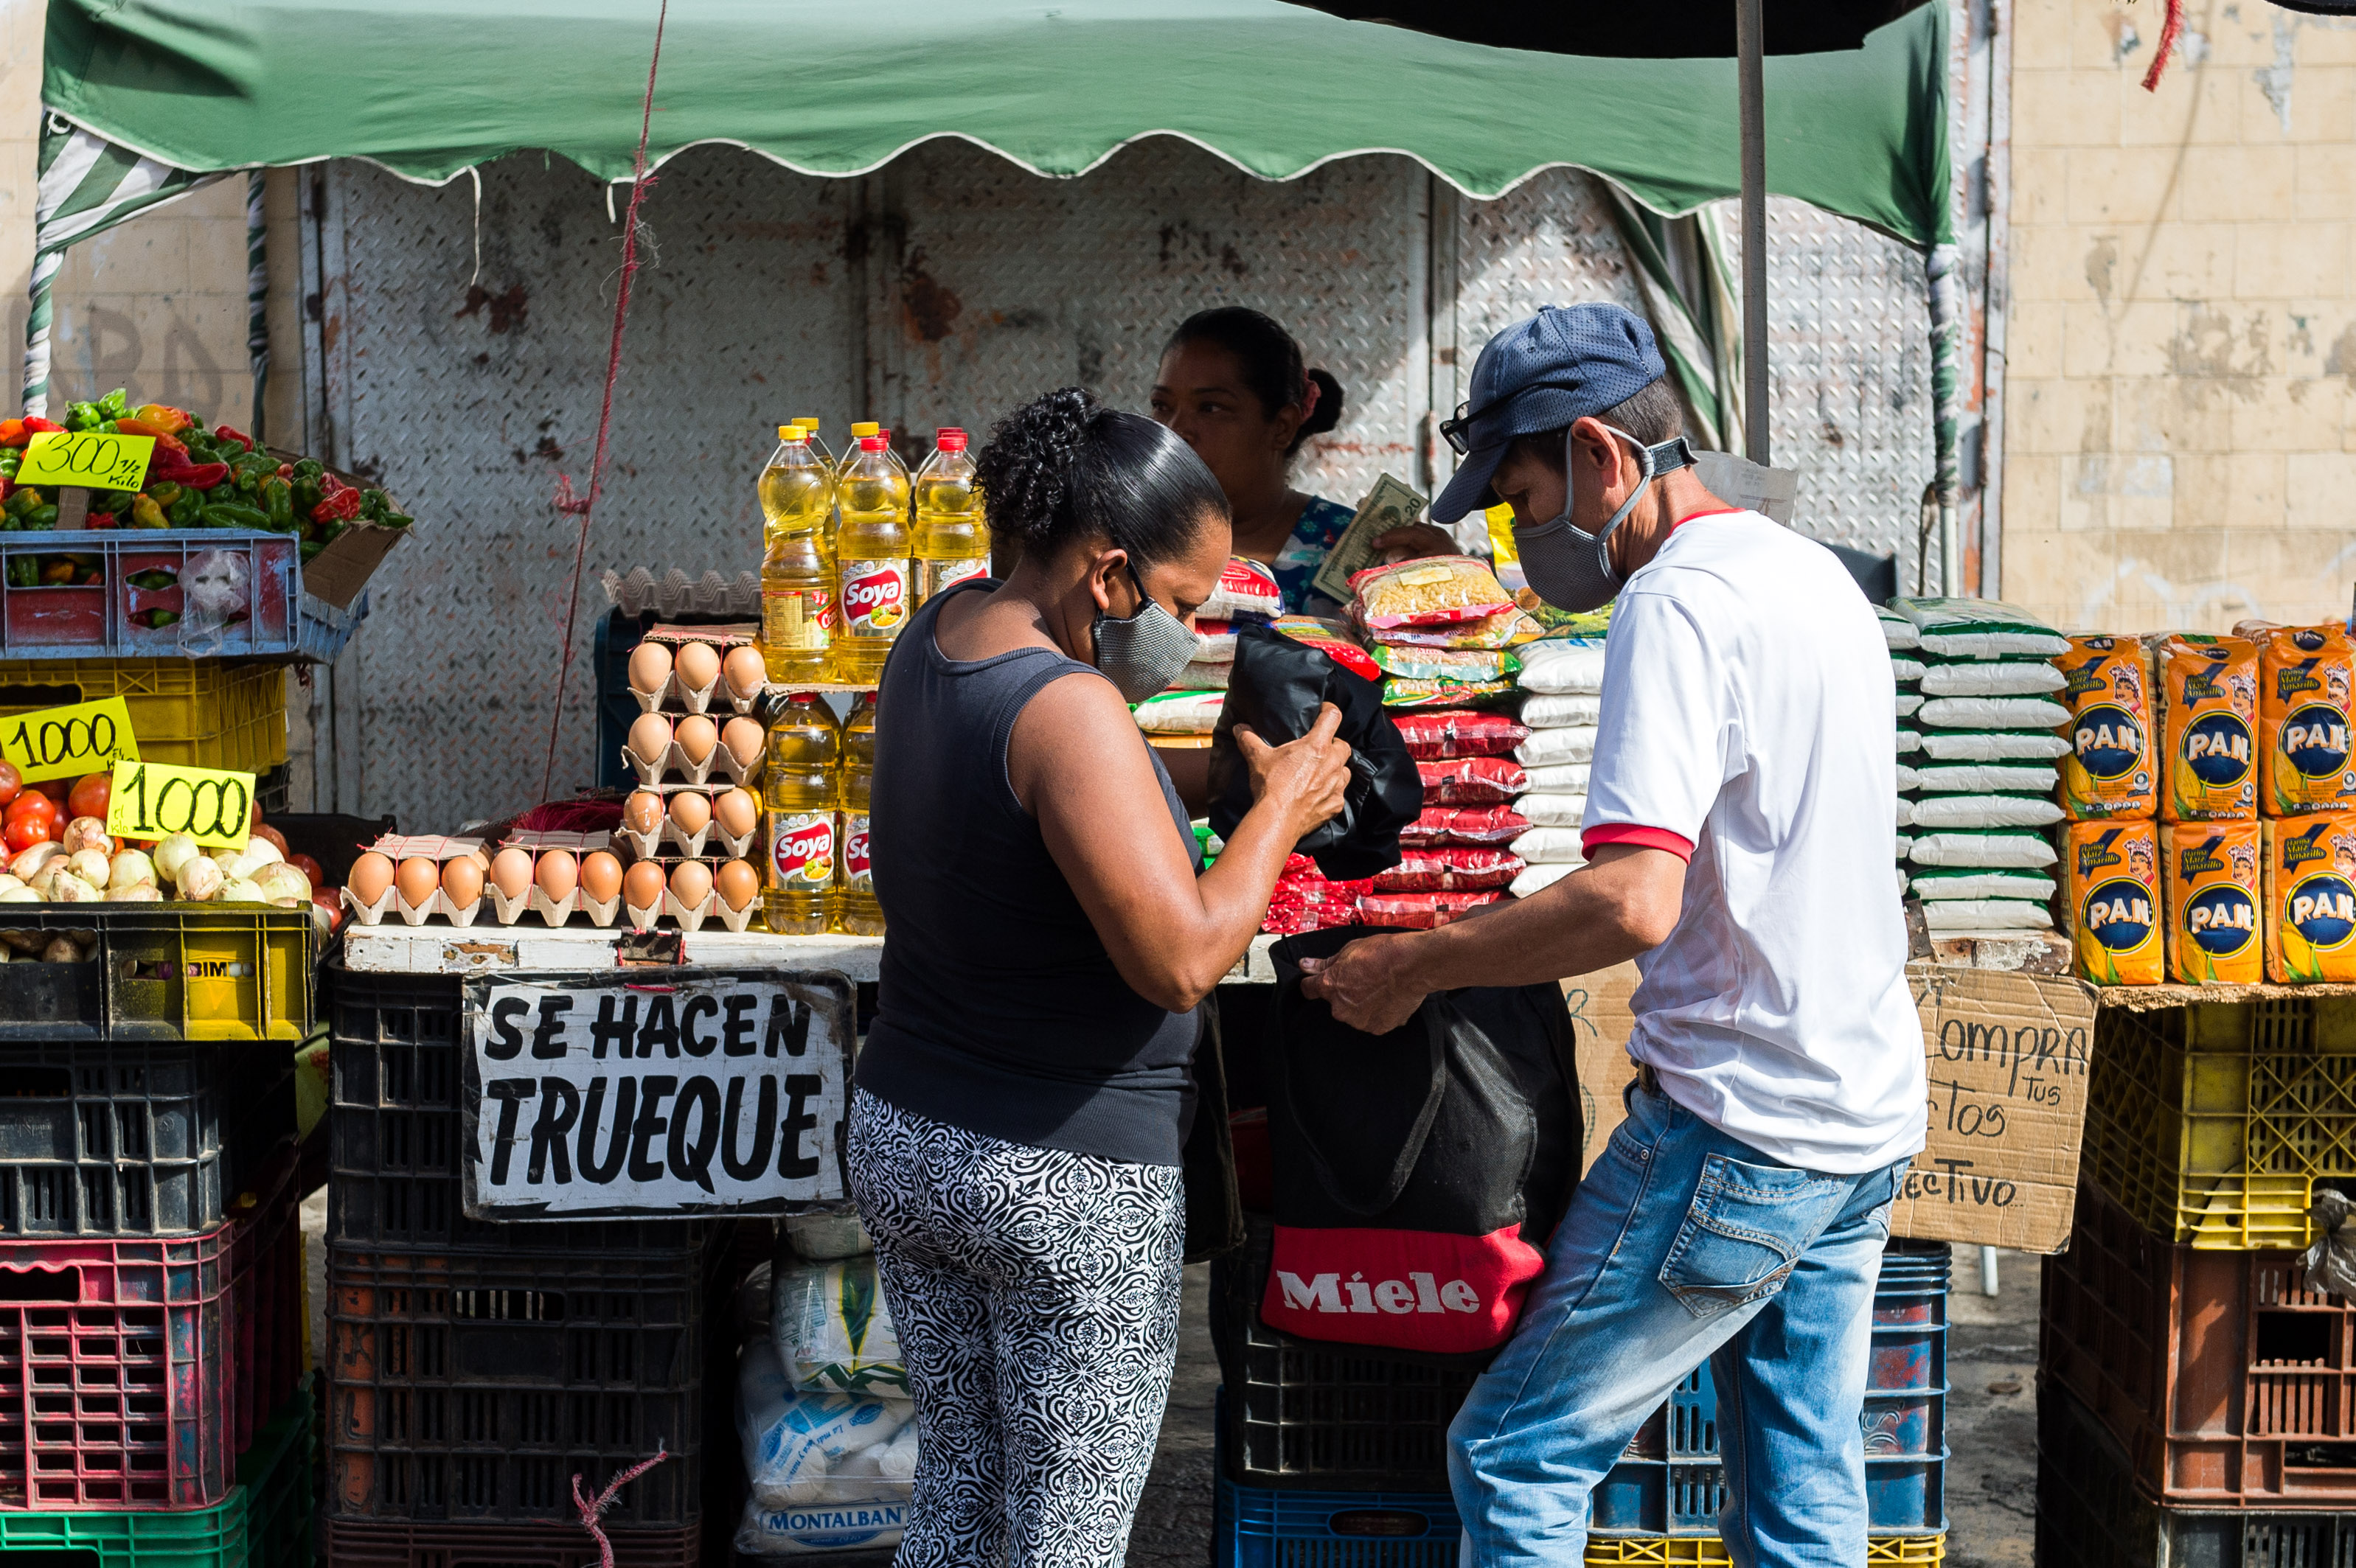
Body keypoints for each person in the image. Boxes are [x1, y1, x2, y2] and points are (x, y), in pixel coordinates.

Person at [1299, 303, 1925, 1567]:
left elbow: (1632, 894)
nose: (1523, 539)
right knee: (1803, 1499)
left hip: (1743, 1127)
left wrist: (1418, 960)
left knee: (1514, 1454)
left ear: (1600, 456)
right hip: (1858, 1118)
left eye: (1522, 500)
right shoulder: (1804, 571)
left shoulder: (1676, 605)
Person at [849, 386, 1354, 1567]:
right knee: (1063, 1541)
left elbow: (1022, 825)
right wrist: (1276, 812)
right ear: (1108, 571)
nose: (1188, 628)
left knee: (960, 1500)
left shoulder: (935, 631)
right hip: (1056, 1179)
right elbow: (1179, 957)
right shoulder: (1069, 708)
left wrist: (1201, 792)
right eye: (1180, 603)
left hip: (908, 1134)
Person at [1150, 306, 1453, 612]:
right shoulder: (1126, 539)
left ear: (1282, 427)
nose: (1175, 431)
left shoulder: (1361, 559)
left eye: (1210, 408)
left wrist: (1451, 592)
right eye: (1161, 405)